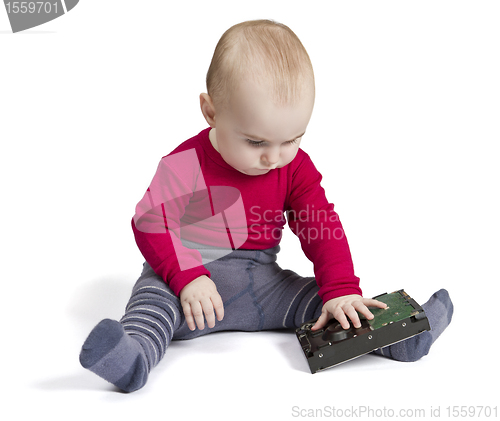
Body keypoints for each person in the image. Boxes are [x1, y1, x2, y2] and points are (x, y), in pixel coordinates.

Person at [79, 19, 453, 392]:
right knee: (152, 306)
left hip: (261, 286)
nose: (274, 157)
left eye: (292, 139)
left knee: (329, 305)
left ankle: (404, 337)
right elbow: (149, 222)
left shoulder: (294, 167)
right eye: (256, 142)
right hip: (186, 287)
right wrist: (186, 276)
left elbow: (319, 224)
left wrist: (340, 288)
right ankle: (132, 359)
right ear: (211, 112)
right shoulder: (185, 162)